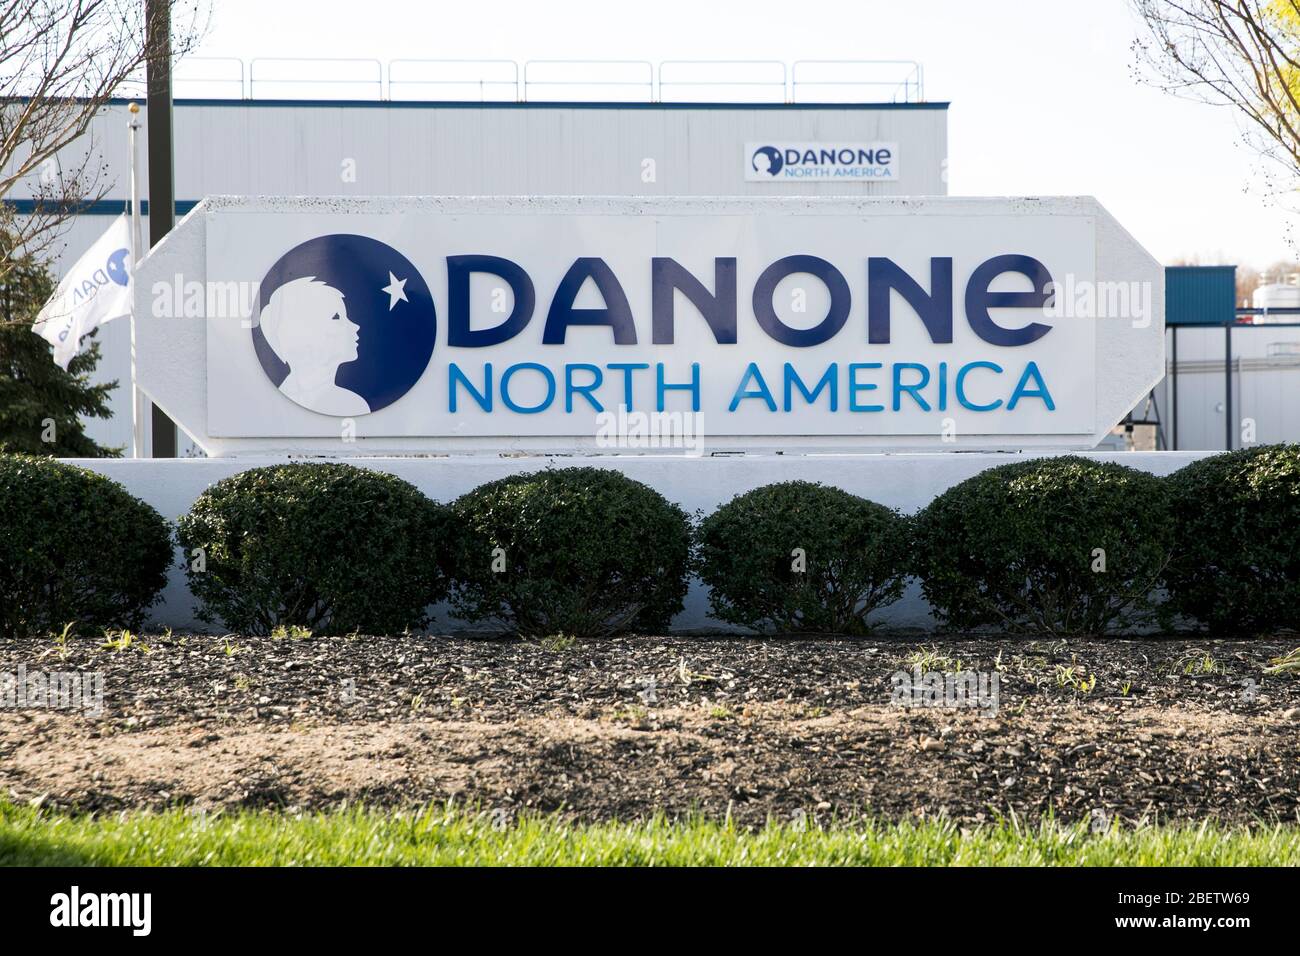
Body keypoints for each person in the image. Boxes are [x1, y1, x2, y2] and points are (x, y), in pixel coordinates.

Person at [258, 276, 369, 416]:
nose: (355, 326)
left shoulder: (281, 401)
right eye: (337, 317)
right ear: (306, 331)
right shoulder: (350, 405)